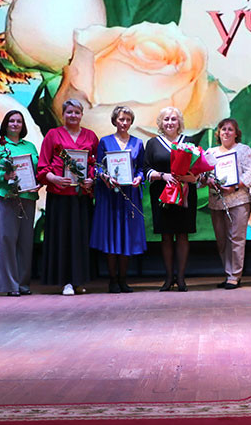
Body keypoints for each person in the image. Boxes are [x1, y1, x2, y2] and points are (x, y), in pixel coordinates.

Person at [37, 99, 98, 295]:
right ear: (63, 114)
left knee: (80, 239)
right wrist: (54, 178)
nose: (73, 115)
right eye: (69, 112)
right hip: (59, 197)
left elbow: (96, 164)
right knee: (62, 239)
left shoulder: (90, 136)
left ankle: (79, 280)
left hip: (81, 197)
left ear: (82, 115)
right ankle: (65, 282)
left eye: (77, 112)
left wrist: (91, 179)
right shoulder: (53, 135)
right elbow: (43, 165)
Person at [0, 110, 39, 297]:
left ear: (23, 125)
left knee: (26, 243)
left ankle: (23, 284)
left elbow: (37, 169)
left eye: (18, 121)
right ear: (5, 124)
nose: (15, 124)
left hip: (27, 197)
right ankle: (10, 285)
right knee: (6, 241)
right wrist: (3, 176)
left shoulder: (30, 146)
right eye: (11, 121)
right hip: (7, 197)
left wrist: (38, 182)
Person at [90, 105, 146, 294]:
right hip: (110, 196)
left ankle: (123, 279)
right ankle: (112, 280)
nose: (124, 123)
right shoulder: (105, 141)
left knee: (127, 237)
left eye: (128, 120)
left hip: (130, 196)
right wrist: (104, 177)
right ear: (115, 120)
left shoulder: (138, 143)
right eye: (121, 119)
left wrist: (139, 178)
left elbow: (141, 169)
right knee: (112, 236)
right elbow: (98, 167)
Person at [144, 106, 198, 292]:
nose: (170, 122)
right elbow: (146, 169)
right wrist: (162, 175)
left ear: (179, 122)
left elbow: (198, 170)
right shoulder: (153, 144)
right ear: (161, 122)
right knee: (166, 236)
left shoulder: (189, 143)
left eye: (173, 119)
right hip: (162, 194)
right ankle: (168, 278)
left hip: (184, 193)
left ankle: (181, 278)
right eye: (166, 119)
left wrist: (188, 177)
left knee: (182, 234)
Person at [203, 118, 251, 289]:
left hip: (239, 200)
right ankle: (228, 273)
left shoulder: (243, 150)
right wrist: (207, 180)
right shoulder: (210, 153)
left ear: (236, 133)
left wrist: (235, 186)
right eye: (223, 129)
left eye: (230, 129)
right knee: (222, 241)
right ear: (218, 133)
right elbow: (202, 176)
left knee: (236, 239)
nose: (226, 132)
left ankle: (235, 276)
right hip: (217, 202)